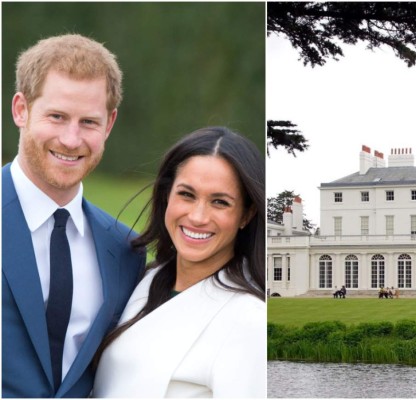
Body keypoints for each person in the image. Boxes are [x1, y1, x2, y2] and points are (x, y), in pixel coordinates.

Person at [2, 34, 145, 398]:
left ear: (109, 124)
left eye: (88, 122)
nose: (70, 139)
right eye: (57, 116)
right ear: (21, 109)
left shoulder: (126, 248)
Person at [93, 127, 266, 398]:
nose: (197, 216)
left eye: (219, 202)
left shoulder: (249, 320)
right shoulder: (143, 281)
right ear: (166, 195)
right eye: (187, 194)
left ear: (246, 215)